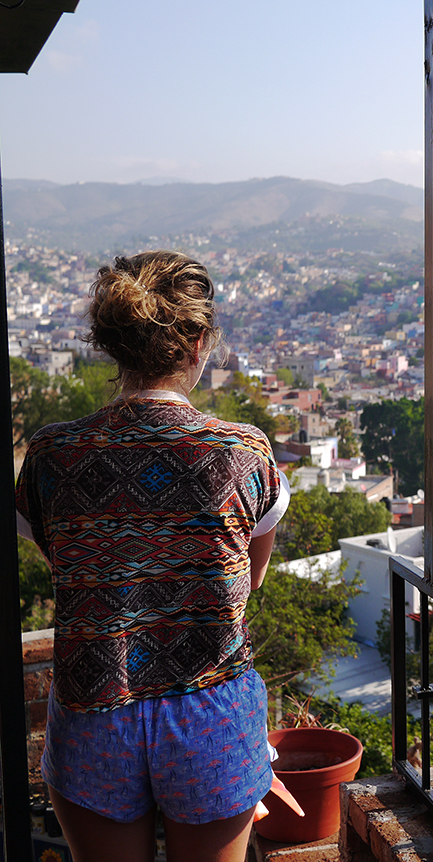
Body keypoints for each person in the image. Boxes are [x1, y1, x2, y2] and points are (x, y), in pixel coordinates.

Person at [15, 251, 290, 862]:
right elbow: (249, 580)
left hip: (94, 706)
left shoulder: (52, 455)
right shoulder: (243, 454)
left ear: (113, 345)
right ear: (197, 343)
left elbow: (64, 563)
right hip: (209, 710)